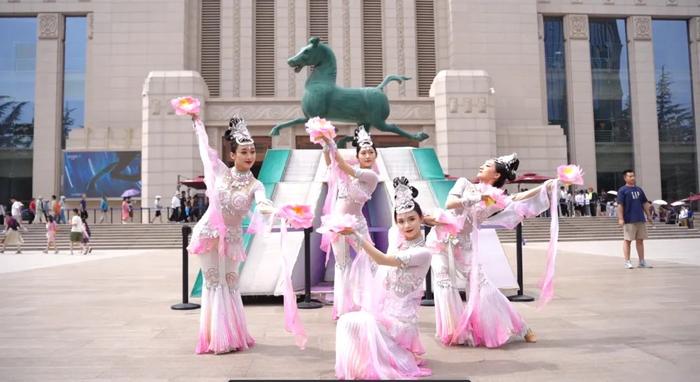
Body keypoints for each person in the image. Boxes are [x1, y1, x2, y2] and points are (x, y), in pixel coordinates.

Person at [427, 153, 553, 348]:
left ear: (496, 175)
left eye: (487, 166)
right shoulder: (463, 183)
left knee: (482, 285)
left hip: (463, 245)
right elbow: (449, 204)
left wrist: (545, 186)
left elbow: (516, 198)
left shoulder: (495, 200)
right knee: (443, 283)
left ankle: (522, 327)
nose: (481, 166)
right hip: (440, 240)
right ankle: (454, 331)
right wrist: (477, 196)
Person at [187, 115, 275, 354]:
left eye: (252, 151)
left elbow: (262, 202)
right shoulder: (221, 172)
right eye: (244, 152)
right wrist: (197, 122)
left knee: (231, 283)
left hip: (233, 237)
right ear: (232, 155)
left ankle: (234, 335)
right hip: (208, 233)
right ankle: (216, 337)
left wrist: (271, 208)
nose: (249, 156)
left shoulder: (256, 185)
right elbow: (205, 149)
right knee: (213, 282)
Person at [335, 177, 431, 379]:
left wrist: (355, 235)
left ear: (421, 219)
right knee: (346, 321)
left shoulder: (422, 253)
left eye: (412, 219)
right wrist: (400, 192)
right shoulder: (397, 238)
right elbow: (394, 228)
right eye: (401, 220)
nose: (406, 225)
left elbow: (383, 259)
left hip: (400, 323)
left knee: (351, 323)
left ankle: (383, 359)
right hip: (384, 312)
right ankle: (361, 363)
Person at [319, 126, 380, 319]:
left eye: (371, 152)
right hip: (337, 223)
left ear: (375, 156)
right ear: (358, 155)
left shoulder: (371, 176)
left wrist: (331, 142)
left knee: (371, 261)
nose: (368, 155)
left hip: (357, 224)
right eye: (364, 152)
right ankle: (343, 307)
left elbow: (344, 166)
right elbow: (331, 164)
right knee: (342, 264)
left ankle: (373, 304)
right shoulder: (346, 174)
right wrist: (324, 146)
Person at [617, 169, 653, 269]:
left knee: (640, 240)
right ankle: (627, 261)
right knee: (627, 241)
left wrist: (649, 215)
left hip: (640, 219)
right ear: (625, 178)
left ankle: (642, 261)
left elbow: (644, 203)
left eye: (633, 176)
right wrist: (620, 218)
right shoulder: (622, 190)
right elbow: (620, 205)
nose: (633, 178)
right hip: (629, 219)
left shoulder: (639, 190)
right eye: (630, 176)